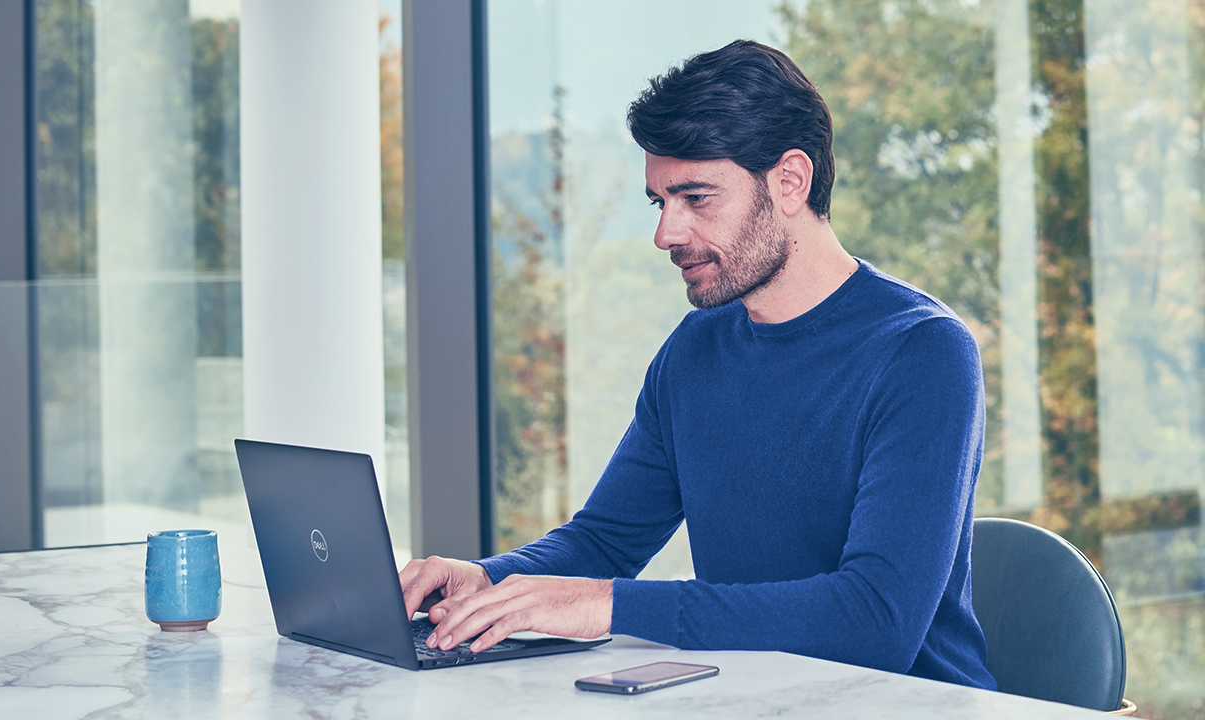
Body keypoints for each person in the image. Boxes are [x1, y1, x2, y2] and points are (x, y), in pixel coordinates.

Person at [399, 39, 996, 690]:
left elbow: (876, 621)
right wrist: (486, 578)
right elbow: (605, 542)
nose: (667, 234)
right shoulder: (696, 349)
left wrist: (607, 605)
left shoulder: (922, 351)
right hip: (756, 696)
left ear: (790, 181)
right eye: (661, 202)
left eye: (696, 198)